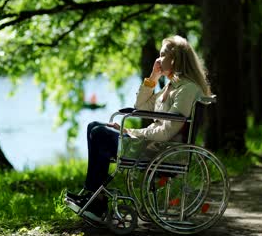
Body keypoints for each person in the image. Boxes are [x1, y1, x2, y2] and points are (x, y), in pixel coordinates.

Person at [65, 35, 211, 222]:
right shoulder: (172, 86)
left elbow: (168, 130)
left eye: (162, 55)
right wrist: (152, 78)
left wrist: (130, 132)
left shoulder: (187, 89)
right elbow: (141, 107)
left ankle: (97, 200)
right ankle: (94, 196)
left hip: (160, 150)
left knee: (98, 133)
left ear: (174, 59)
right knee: (94, 126)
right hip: (152, 144)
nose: (158, 60)